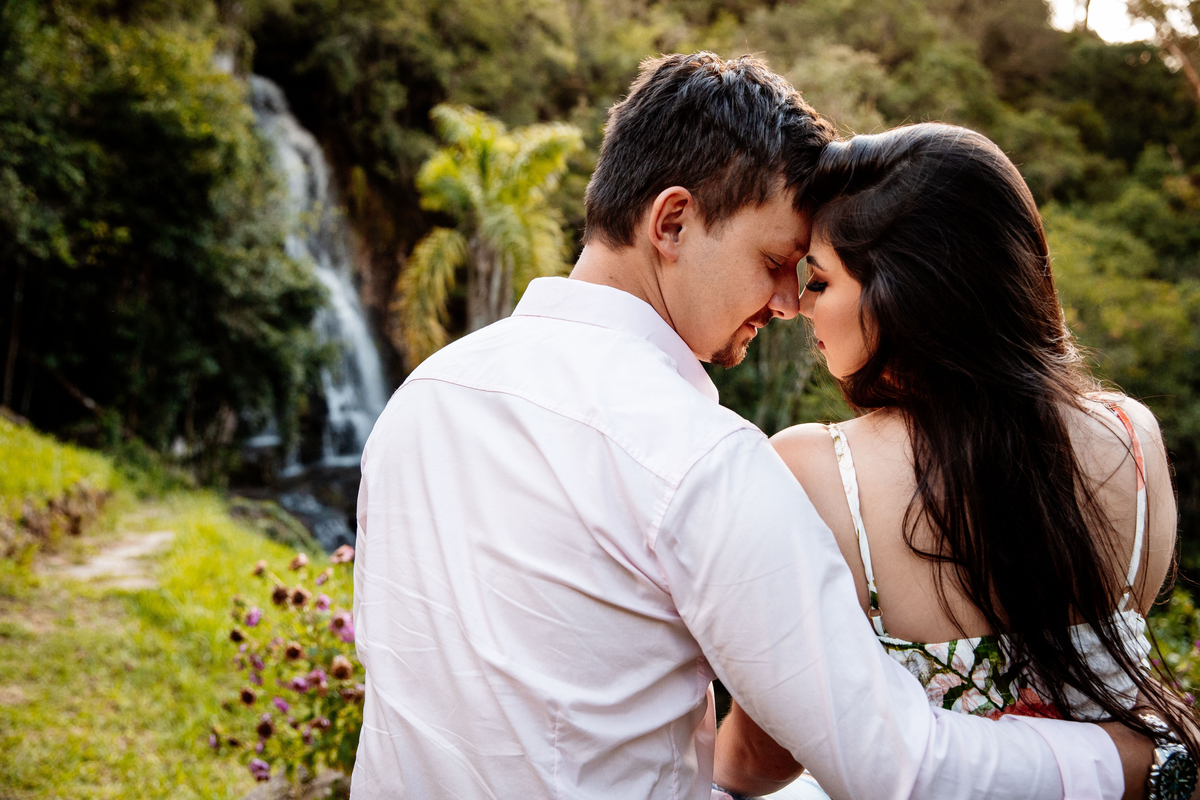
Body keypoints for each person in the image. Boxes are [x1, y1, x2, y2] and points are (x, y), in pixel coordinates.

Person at [351, 54, 1152, 800]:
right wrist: (1132, 758)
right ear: (671, 223)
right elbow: (895, 765)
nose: (787, 303)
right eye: (776, 261)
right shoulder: (696, 458)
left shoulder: (424, 394)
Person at [714, 123, 1198, 799]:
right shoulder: (1132, 436)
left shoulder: (817, 471)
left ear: (904, 294)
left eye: (820, 281)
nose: (796, 307)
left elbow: (762, 758)